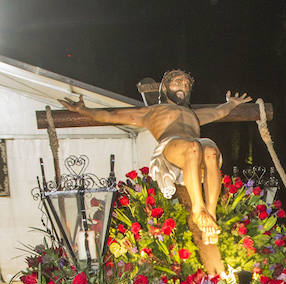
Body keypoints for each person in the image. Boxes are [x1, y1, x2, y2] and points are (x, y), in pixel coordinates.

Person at [60, 70, 251, 243]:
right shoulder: (151, 112)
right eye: (178, 82)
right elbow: (112, 115)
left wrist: (231, 104)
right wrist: (84, 111)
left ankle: (210, 213)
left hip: (196, 148)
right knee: (194, 147)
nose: (183, 86)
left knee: (210, 148)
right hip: (172, 147)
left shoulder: (193, 113)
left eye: (186, 84)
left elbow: (218, 112)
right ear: (164, 88)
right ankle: (197, 209)